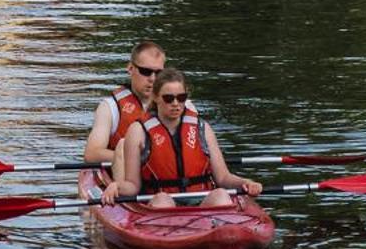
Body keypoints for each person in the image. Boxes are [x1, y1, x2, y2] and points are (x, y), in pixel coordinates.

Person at [102, 68, 262, 207]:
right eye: (168, 98)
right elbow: (133, 186)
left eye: (181, 98)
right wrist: (117, 187)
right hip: (159, 201)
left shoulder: (202, 127)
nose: (175, 103)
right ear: (156, 97)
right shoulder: (138, 131)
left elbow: (223, 177)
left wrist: (245, 182)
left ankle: (218, 232)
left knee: (221, 195)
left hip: (201, 200)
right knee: (163, 201)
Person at [83, 38, 189, 164]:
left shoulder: (182, 104)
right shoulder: (109, 108)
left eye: (159, 73)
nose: (152, 78)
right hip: (124, 175)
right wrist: (142, 159)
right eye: (146, 72)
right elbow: (92, 153)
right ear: (130, 68)